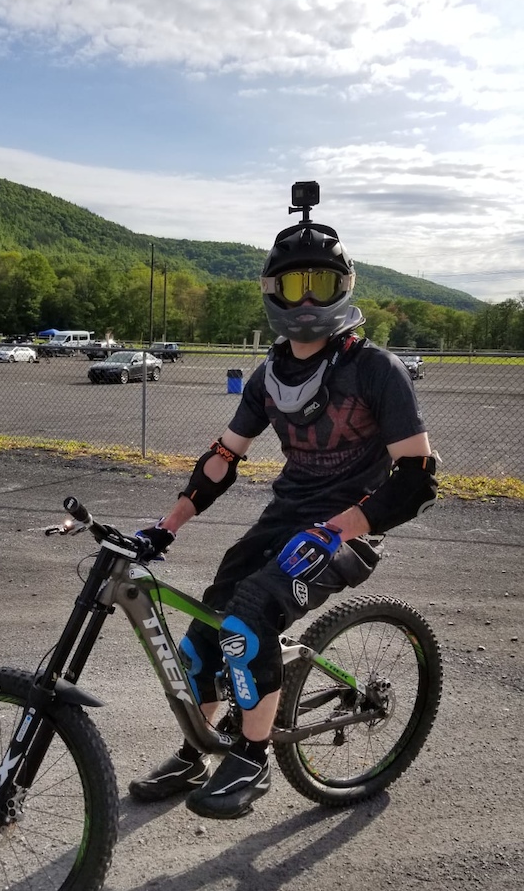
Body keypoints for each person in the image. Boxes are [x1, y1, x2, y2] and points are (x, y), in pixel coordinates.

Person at [130, 188, 437, 821]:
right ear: (272, 289)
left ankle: (251, 757)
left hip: (348, 529)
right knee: (207, 627)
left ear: (343, 288)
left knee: (246, 621)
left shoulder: (376, 369)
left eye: (319, 285)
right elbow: (222, 459)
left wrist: (340, 528)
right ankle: (196, 750)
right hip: (283, 521)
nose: (304, 301)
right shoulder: (268, 376)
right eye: (293, 284)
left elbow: (416, 477)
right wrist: (167, 527)